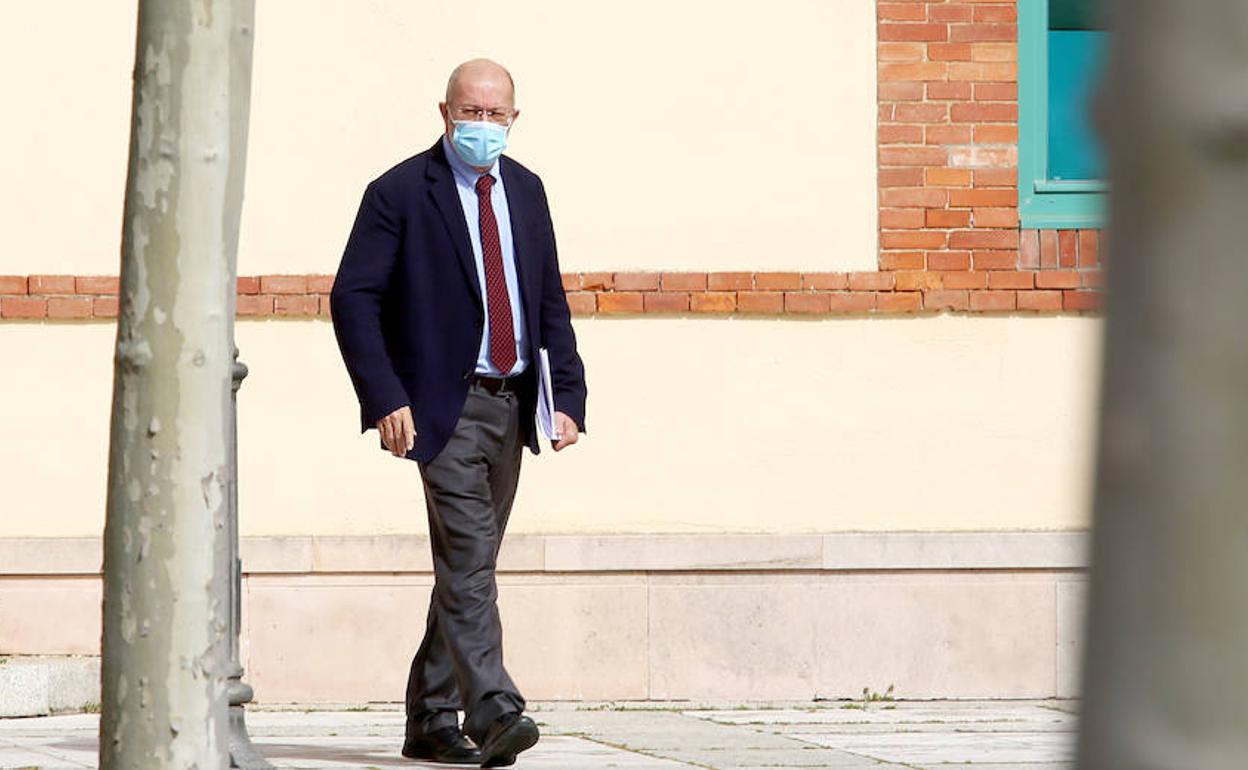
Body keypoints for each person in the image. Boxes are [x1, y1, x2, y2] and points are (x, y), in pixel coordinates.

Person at [330, 58, 587, 767]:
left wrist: (566, 396)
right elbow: (353, 297)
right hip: (441, 407)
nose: (482, 126)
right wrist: (385, 396)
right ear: (444, 113)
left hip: (512, 403)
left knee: (468, 564)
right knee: (470, 557)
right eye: (469, 113)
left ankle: (428, 717)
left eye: (495, 114)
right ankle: (494, 707)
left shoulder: (527, 192)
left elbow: (547, 300)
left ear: (514, 118)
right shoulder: (401, 192)